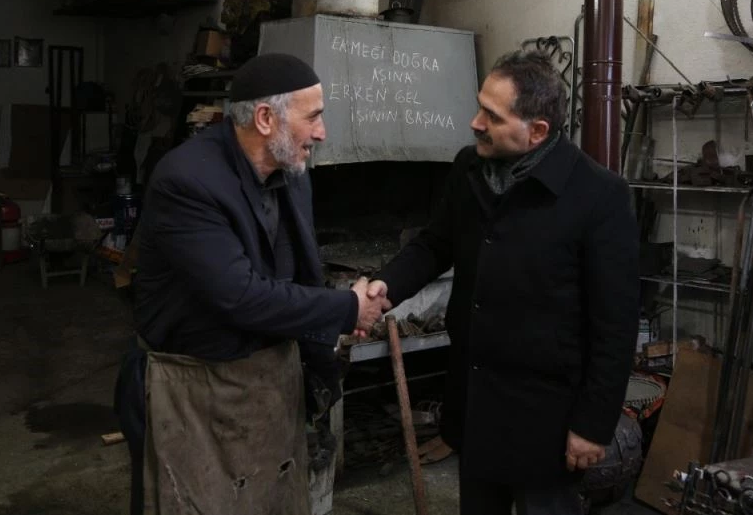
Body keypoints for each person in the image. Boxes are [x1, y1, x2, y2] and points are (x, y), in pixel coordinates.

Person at [114, 53, 391, 515]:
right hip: (191, 392)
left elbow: (304, 272)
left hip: (265, 386)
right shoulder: (186, 180)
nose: (322, 133)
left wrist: (325, 353)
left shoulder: (291, 171)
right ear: (265, 119)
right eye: (313, 117)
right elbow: (239, 296)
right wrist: (346, 307)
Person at [367, 49, 640, 515]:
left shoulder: (599, 196)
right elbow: (434, 245)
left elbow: (615, 325)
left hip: (548, 420)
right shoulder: (469, 169)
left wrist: (593, 425)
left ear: (537, 131)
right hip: (476, 404)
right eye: (480, 107)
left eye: (492, 116)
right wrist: (384, 287)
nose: (475, 123)